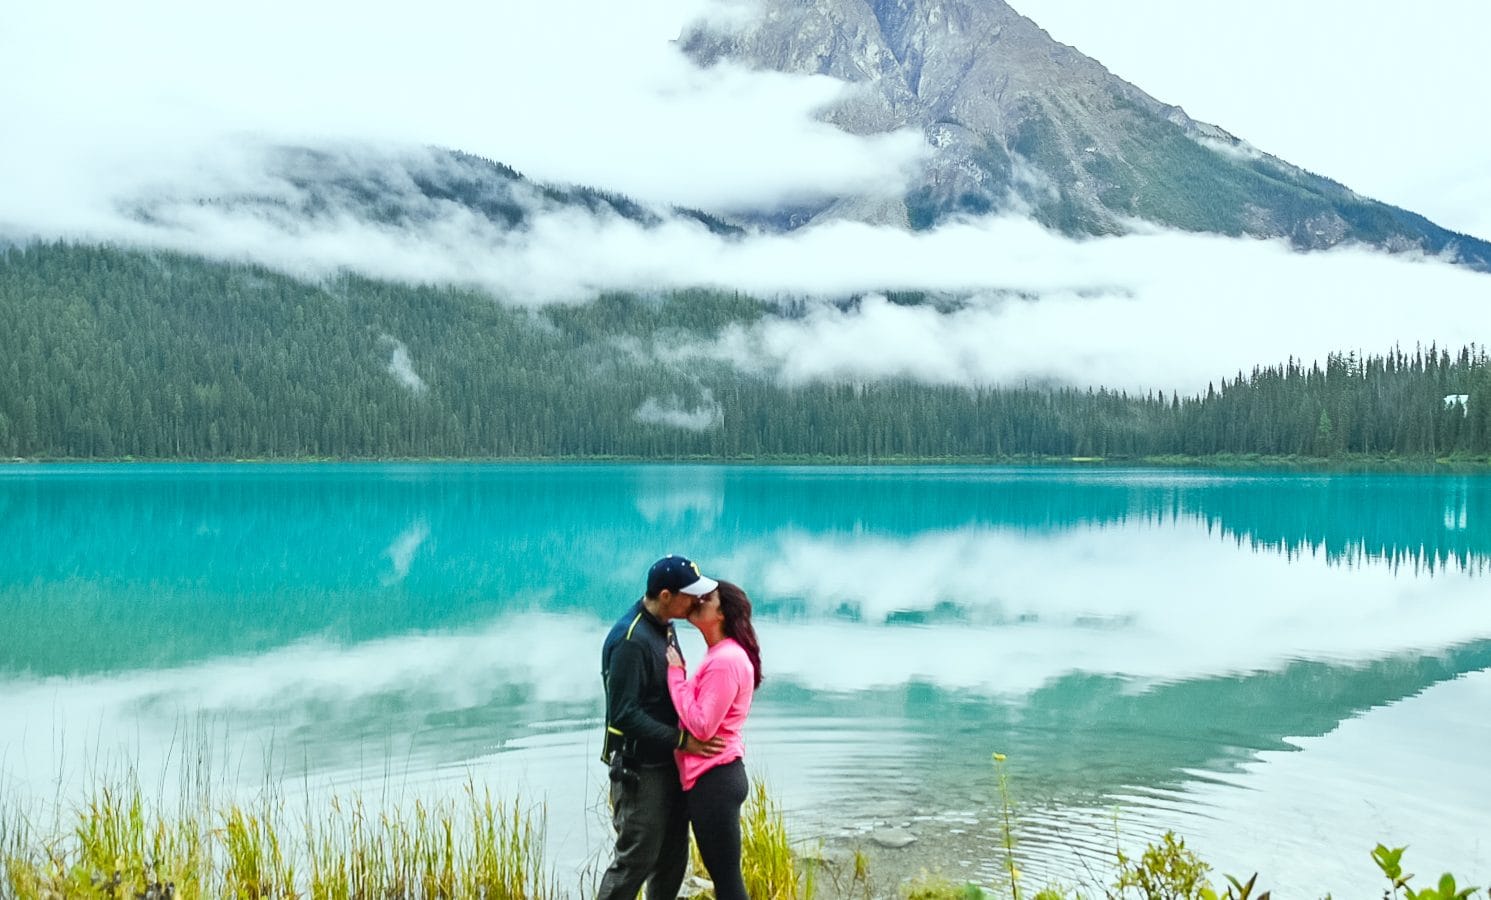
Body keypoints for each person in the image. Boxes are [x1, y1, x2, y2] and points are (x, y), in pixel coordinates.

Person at [597, 555, 725, 900]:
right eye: (690, 594)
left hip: (669, 763)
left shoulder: (665, 627)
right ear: (666, 595)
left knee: (672, 859)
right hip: (641, 771)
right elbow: (623, 714)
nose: (697, 600)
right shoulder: (630, 640)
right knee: (636, 860)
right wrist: (683, 739)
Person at [665, 580, 763, 900]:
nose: (698, 601)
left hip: (715, 779)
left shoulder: (725, 660)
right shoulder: (721, 655)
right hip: (714, 777)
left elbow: (703, 726)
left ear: (721, 614)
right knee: (725, 878)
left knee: (728, 882)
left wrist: (676, 676)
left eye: (707, 599)